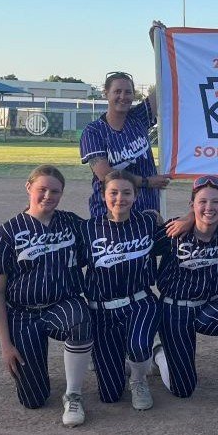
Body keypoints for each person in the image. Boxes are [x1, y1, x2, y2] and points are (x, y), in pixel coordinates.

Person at [0, 165, 93, 427]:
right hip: (23, 313)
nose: (48, 196)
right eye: (42, 189)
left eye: (55, 191)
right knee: (33, 400)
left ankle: (73, 394)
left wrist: (151, 217)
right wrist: (6, 345)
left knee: (80, 319)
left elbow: (109, 229)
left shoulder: (70, 223)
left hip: (61, 304)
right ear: (28, 187)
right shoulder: (8, 232)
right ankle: (35, 375)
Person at [156, 175, 218, 417]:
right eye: (202, 202)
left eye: (216, 202)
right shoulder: (175, 230)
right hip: (175, 308)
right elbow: (140, 245)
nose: (209, 207)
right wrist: (185, 218)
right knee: (183, 389)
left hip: (210, 304)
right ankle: (158, 354)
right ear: (192, 205)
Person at [80, 170, 160, 411]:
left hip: (139, 303)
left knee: (138, 346)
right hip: (102, 310)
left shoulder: (147, 222)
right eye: (113, 192)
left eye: (127, 193)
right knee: (110, 395)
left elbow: (176, 233)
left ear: (136, 196)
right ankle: (122, 362)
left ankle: (138, 379)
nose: (120, 198)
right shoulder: (88, 228)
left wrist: (187, 218)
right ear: (103, 195)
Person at [80, 63, 169, 217]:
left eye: (128, 92)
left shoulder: (138, 117)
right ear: (106, 93)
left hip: (146, 209)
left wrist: (170, 58)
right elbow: (105, 174)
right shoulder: (94, 131)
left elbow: (164, 88)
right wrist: (147, 181)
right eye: (117, 91)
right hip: (110, 213)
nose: (123, 96)